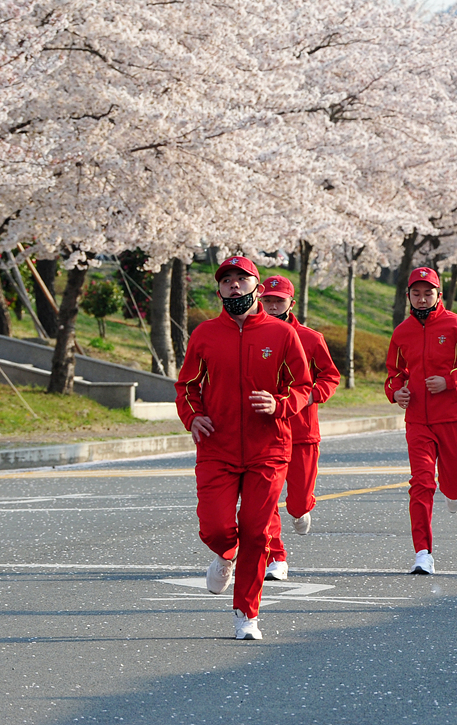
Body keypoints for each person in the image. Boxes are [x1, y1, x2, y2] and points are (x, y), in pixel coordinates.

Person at [176, 255, 313, 641]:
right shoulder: (204, 334)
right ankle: (224, 554)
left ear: (256, 286)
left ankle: (246, 615)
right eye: (226, 281)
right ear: (219, 289)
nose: (233, 285)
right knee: (217, 527)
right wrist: (193, 417)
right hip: (216, 446)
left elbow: (303, 386)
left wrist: (280, 405)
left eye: (241, 279)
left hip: (268, 447)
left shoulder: (282, 335)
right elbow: (186, 386)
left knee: (256, 532)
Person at [385, 267, 457, 575]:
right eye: (415, 293)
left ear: (438, 294)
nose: (421, 298)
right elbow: (394, 373)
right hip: (418, 419)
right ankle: (423, 553)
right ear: (408, 296)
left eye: (427, 293)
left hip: (454, 417)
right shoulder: (402, 331)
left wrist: (450, 380)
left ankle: (456, 491)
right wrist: (396, 392)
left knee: (452, 485)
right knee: (421, 483)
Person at [258, 274, 341, 582]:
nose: (272, 305)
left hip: (302, 432)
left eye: (278, 301)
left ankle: (303, 507)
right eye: (267, 300)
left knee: (297, 501)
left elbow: (330, 376)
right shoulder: (250, 336)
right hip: (265, 431)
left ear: (291, 303)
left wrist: (309, 396)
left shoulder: (310, 338)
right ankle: (276, 557)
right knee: (265, 499)